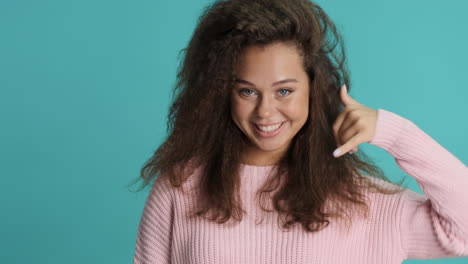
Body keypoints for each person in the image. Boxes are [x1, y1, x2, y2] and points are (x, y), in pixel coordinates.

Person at [131, 0, 468, 263]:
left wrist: (397, 134)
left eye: (284, 91)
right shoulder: (181, 185)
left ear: (313, 89)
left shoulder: (365, 202)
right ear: (222, 92)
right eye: (247, 91)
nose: (265, 111)